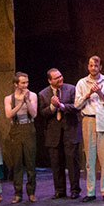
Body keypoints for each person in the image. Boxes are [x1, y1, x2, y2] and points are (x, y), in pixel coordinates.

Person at [75, 56, 104, 201]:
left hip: (103, 119)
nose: (93, 68)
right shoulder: (82, 83)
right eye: (91, 65)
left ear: (100, 67)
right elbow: (76, 105)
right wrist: (88, 94)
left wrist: (100, 93)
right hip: (88, 119)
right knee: (90, 158)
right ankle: (90, 192)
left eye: (96, 66)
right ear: (88, 67)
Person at [38, 69, 82, 199]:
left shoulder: (71, 89)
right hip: (53, 133)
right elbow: (42, 113)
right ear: (50, 80)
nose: (60, 79)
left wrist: (62, 106)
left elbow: (77, 106)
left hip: (70, 131)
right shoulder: (43, 94)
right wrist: (52, 107)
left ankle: (75, 190)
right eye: (56, 78)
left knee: (72, 162)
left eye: (61, 76)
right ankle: (60, 190)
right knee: (56, 163)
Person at [2, 72, 39, 203]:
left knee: (30, 162)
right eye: (22, 83)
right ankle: (18, 193)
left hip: (28, 128)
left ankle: (31, 193)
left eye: (27, 82)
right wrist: (20, 103)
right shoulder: (9, 98)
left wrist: (27, 100)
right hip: (16, 129)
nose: (25, 85)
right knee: (17, 163)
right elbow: (8, 114)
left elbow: (34, 114)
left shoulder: (33, 95)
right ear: (15, 84)